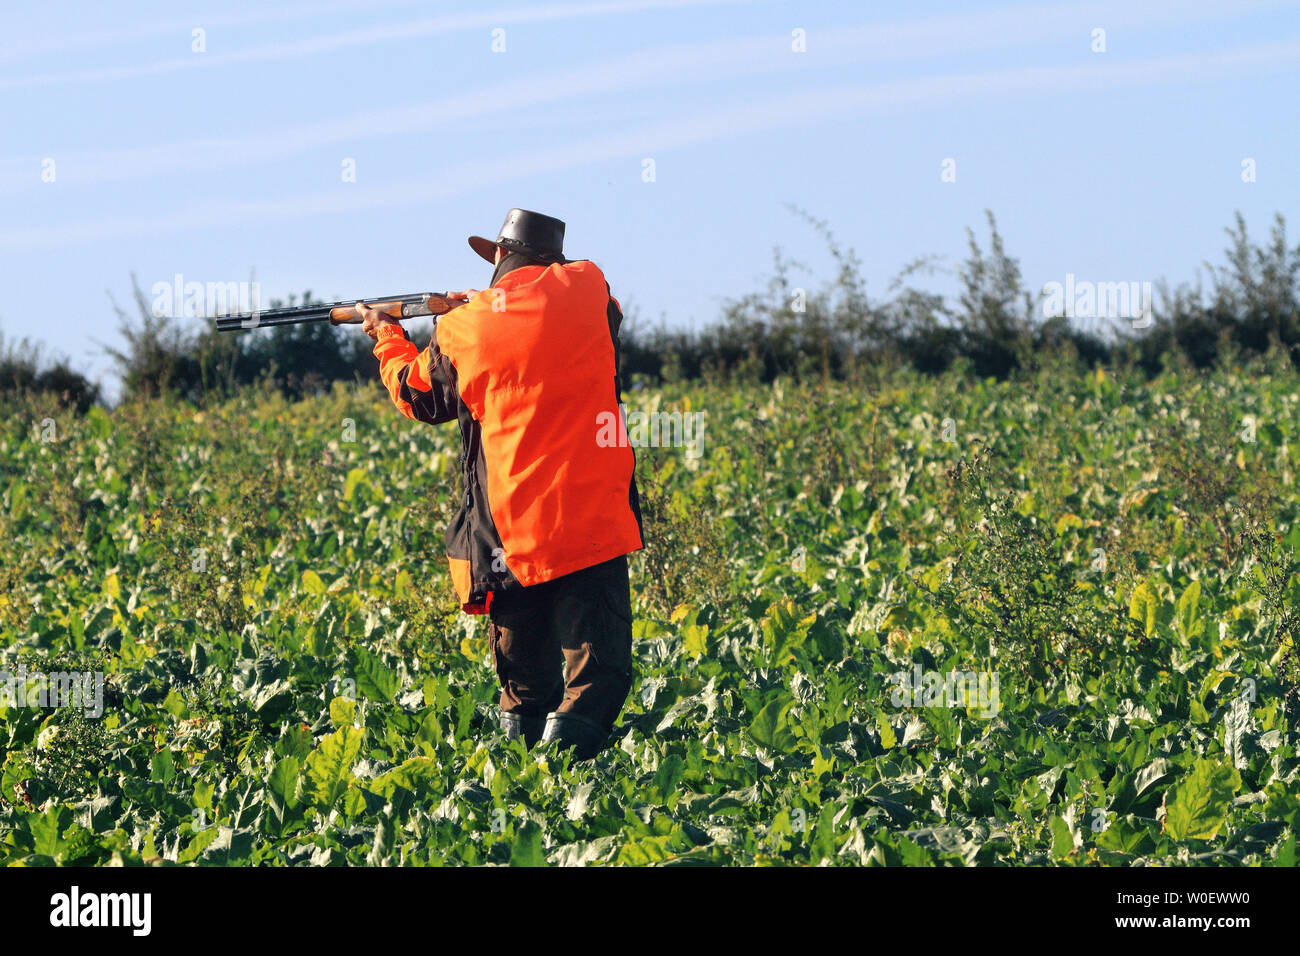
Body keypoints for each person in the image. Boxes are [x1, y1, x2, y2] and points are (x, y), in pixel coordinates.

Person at [355, 209, 643, 759]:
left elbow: (420, 397)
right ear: (553, 260)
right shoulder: (589, 287)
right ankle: (569, 786)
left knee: (525, 692)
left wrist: (386, 333)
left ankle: (521, 798)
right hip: (592, 525)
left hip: (511, 539)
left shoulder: (463, 327)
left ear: (497, 258)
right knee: (598, 680)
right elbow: (603, 314)